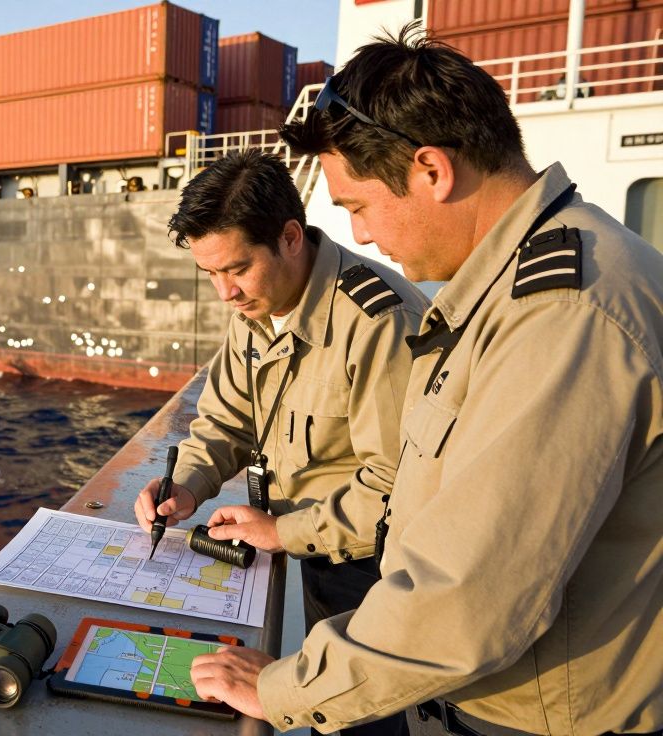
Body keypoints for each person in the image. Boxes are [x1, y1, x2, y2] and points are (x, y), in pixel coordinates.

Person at [189, 25, 663, 736]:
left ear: (431, 171)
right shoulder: (527, 281)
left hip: (540, 717)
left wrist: (285, 686)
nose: (365, 236)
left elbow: (472, 596)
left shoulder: (562, 313)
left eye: (357, 206)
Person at [134, 148, 426, 736]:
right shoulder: (259, 306)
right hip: (318, 557)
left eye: (236, 269)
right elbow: (225, 421)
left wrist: (281, 532)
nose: (224, 294)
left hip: (377, 576)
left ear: (291, 236)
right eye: (210, 274)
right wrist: (186, 485)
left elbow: (400, 491)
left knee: (363, 720)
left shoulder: (376, 323)